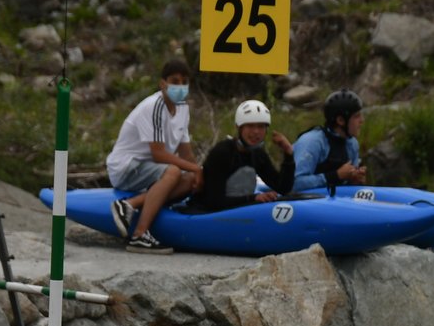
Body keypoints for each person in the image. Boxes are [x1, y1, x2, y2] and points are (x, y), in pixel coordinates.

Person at [104, 58, 202, 254]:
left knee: (190, 179)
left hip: (148, 169)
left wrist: (200, 173)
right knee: (173, 171)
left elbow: (186, 154)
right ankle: (140, 235)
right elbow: (158, 154)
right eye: (175, 81)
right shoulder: (155, 106)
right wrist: (194, 168)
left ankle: (131, 205)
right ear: (163, 83)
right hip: (127, 167)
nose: (180, 87)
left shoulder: (183, 108)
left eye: (184, 82)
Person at [193, 100, 295, 211]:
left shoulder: (258, 154)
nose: (256, 132)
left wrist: (288, 153)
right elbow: (214, 201)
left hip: (239, 211)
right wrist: (254, 198)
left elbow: (283, 188)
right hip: (207, 213)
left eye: (261, 126)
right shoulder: (222, 152)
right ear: (239, 127)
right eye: (250, 126)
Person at [292, 88, 366, 195]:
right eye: (356, 116)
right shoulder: (312, 142)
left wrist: (355, 180)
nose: (362, 120)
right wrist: (335, 176)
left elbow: (346, 186)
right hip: (302, 204)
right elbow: (293, 183)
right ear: (340, 120)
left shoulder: (352, 144)